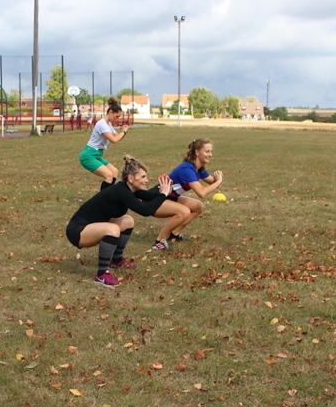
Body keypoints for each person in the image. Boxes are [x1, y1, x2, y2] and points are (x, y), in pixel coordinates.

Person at [66, 155, 172, 287]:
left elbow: (150, 196)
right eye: (143, 177)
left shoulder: (129, 189)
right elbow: (145, 211)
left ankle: (116, 260)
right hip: (78, 231)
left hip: (91, 228)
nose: (146, 180)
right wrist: (163, 194)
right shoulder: (121, 192)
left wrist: (164, 188)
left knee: (128, 220)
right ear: (131, 178)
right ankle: (101, 275)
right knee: (113, 229)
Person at [151, 138, 224, 250]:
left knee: (198, 206)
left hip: (170, 198)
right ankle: (159, 241)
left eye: (211, 151)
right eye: (207, 151)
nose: (210, 155)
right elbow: (201, 193)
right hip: (155, 199)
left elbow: (211, 182)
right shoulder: (187, 169)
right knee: (184, 211)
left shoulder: (198, 169)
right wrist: (218, 181)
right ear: (197, 152)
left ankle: (174, 234)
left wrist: (217, 178)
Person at [79, 97, 130, 191]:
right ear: (110, 112)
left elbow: (117, 136)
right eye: (117, 116)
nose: (117, 119)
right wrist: (123, 131)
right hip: (88, 155)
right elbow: (114, 140)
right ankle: (102, 200)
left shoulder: (108, 124)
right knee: (109, 175)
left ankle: (108, 196)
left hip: (96, 155)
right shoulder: (101, 124)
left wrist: (124, 132)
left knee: (114, 172)